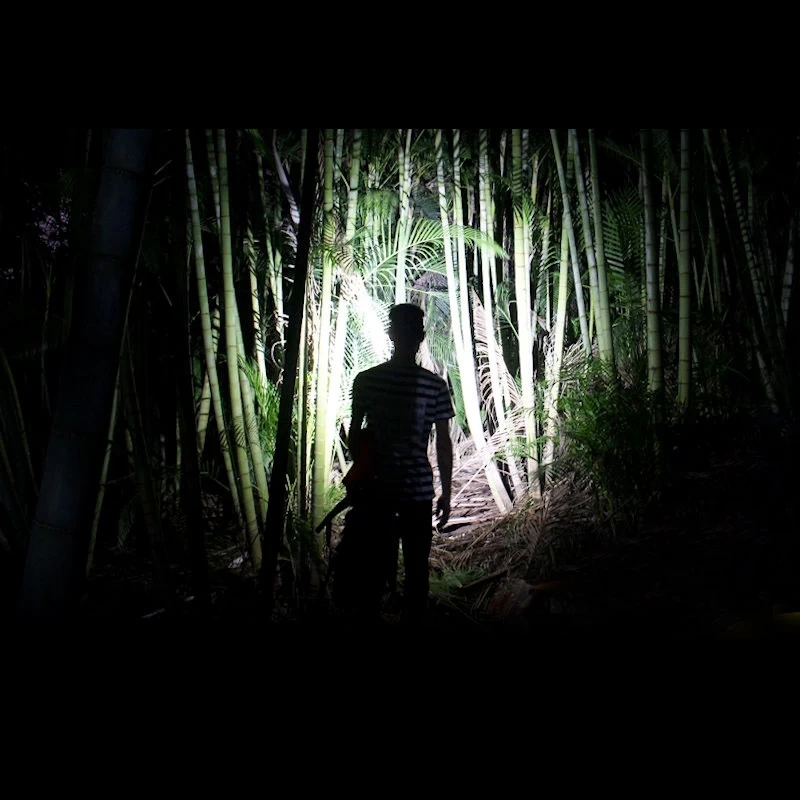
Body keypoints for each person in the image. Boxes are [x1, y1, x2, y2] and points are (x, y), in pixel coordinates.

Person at [348, 303, 454, 625]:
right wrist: (446, 493)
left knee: (373, 572)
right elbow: (443, 444)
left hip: (377, 489)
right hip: (416, 492)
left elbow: (354, 436)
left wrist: (364, 473)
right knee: (416, 572)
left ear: (390, 334)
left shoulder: (367, 380)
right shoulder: (435, 386)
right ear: (422, 337)